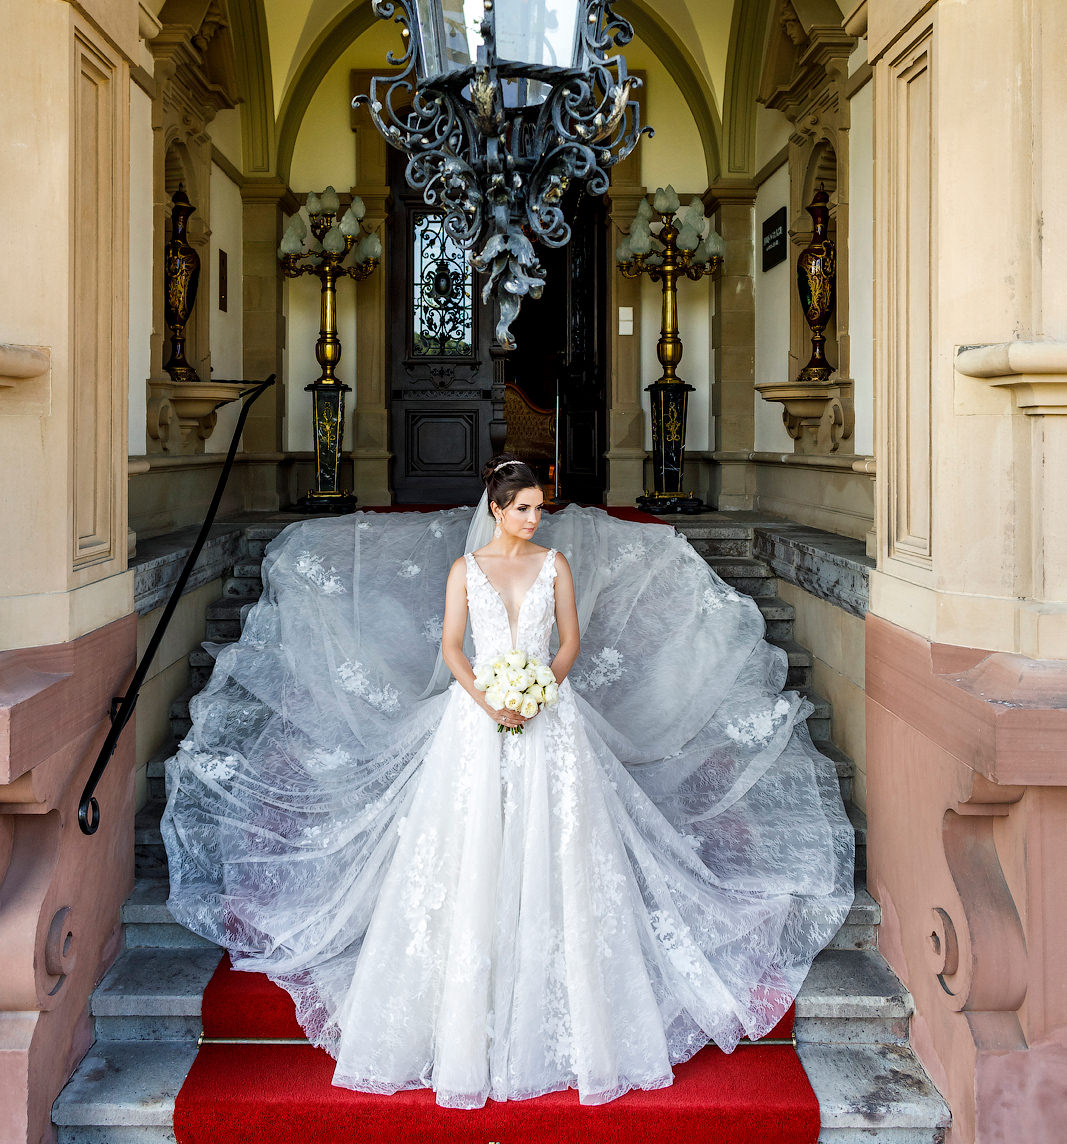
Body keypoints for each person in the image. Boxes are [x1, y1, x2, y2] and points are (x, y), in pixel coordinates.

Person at [163, 455, 854, 1108]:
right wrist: (488, 700)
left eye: (537, 508)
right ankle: (461, 1012)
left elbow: (569, 645)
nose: (533, 518)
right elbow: (451, 648)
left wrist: (538, 693)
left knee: (560, 846)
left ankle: (567, 1007)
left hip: (549, 719)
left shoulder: (555, 566)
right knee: (467, 845)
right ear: (495, 509)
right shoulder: (466, 569)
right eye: (522, 508)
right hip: (474, 720)